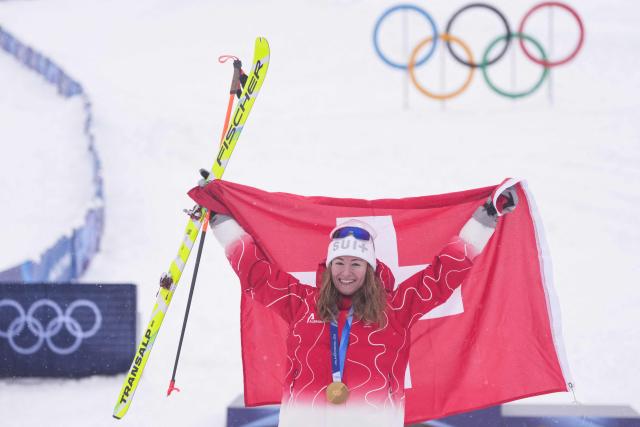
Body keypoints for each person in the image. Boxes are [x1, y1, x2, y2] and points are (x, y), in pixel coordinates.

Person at [209, 188, 517, 427]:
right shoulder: (303, 303)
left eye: (356, 263)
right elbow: (256, 274)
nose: (346, 272)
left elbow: (442, 275)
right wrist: (221, 221)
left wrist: (484, 219)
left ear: (369, 268)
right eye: (339, 263)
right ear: (329, 267)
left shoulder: (396, 309)